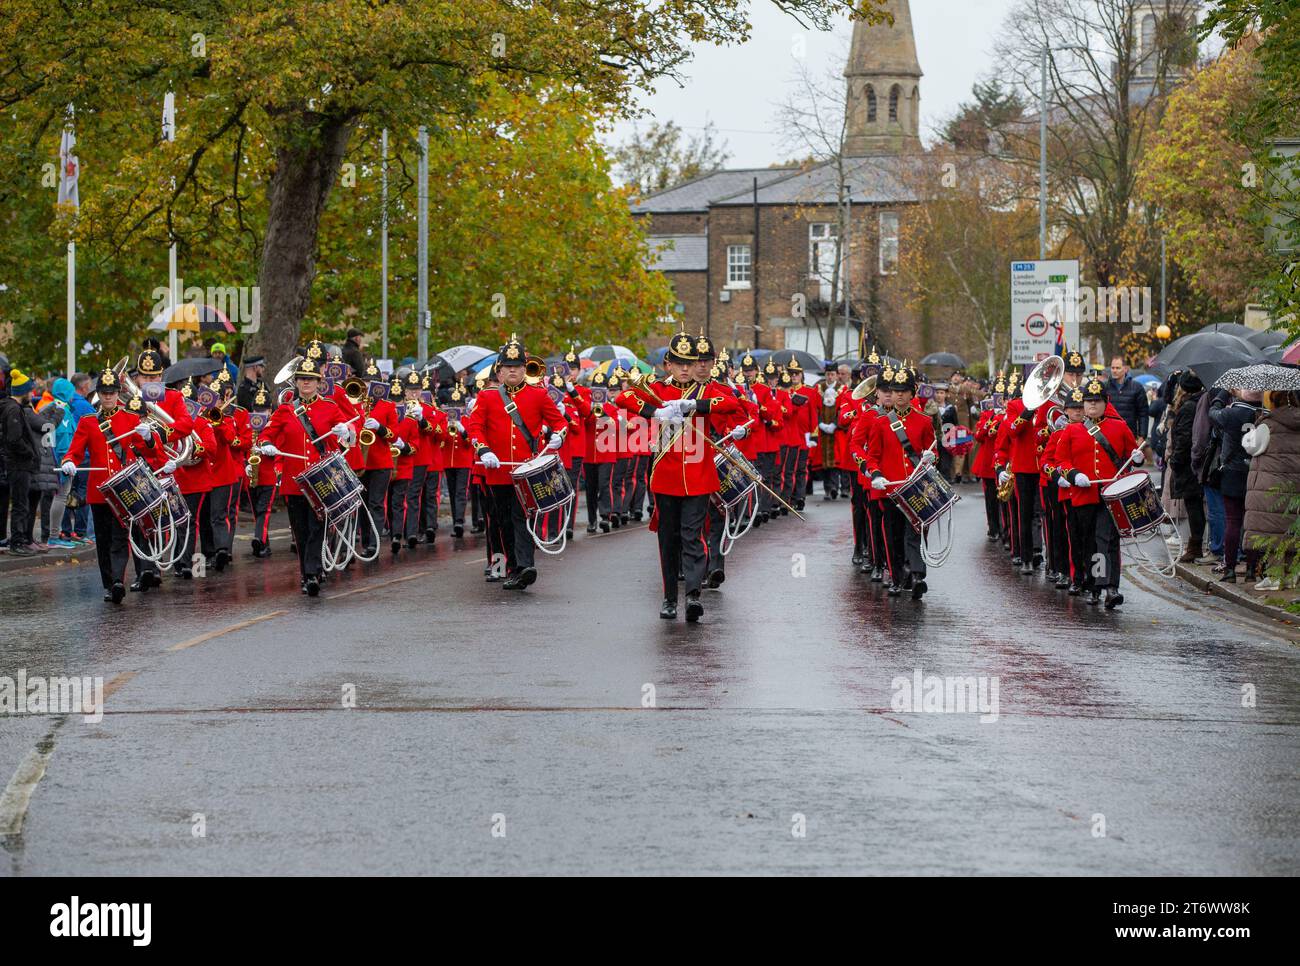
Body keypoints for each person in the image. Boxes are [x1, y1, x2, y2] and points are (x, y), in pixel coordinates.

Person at [614, 332, 740, 620]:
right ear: (668, 365)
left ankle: (693, 594)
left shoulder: (706, 390)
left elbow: (732, 403)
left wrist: (694, 406)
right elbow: (625, 397)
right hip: (665, 475)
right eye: (679, 363)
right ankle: (670, 597)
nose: (685, 368)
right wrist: (655, 411)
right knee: (668, 538)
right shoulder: (657, 388)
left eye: (690, 362)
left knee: (692, 535)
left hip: (698, 475)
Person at [465, 334, 568, 591]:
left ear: (525, 369)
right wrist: (483, 449)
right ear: (499, 372)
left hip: (525, 472)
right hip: (497, 469)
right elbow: (474, 427)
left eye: (518, 367)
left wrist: (558, 437)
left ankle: (525, 566)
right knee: (503, 521)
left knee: (521, 517)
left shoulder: (538, 395)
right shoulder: (488, 397)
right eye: (508, 367)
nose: (513, 371)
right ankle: (511, 567)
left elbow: (561, 422)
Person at [61, 368, 164, 602]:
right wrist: (68, 462)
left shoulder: (129, 418)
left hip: (123, 491)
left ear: (118, 394)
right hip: (98, 492)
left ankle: (118, 580)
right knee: (103, 539)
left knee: (119, 537)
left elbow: (150, 451)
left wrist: (148, 436)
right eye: (104, 393)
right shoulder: (88, 422)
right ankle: (109, 583)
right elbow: (75, 451)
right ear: (99, 394)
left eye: (112, 393)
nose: (108, 397)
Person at [256, 353, 352, 596]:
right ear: (296, 382)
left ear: (319, 382)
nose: (306, 383)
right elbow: (265, 435)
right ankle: (307, 571)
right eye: (301, 379)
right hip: (294, 481)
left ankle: (312, 573)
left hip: (321, 480)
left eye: (310, 379)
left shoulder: (330, 407)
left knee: (317, 526)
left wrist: (346, 430)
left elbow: (349, 435)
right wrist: (266, 444)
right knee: (300, 530)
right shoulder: (285, 410)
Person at [1054, 377, 1141, 607]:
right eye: (1088, 401)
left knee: (1107, 539)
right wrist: (1073, 475)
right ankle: (1093, 584)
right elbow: (1060, 460)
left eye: (1097, 401)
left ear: (1106, 402)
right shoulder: (1072, 430)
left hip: (1109, 493)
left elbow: (1131, 452)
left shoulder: (1119, 426)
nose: (1092, 406)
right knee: (1088, 541)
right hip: (1083, 493)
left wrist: (1138, 457)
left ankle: (1110, 587)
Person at [862, 364, 937, 599]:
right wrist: (875, 474)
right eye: (896, 391)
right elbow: (872, 456)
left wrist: (931, 457)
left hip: (914, 488)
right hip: (890, 488)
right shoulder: (880, 422)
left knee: (914, 533)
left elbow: (933, 451)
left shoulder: (924, 421)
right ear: (890, 394)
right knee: (893, 535)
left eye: (904, 390)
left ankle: (916, 576)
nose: (900, 395)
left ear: (912, 393)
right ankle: (896, 578)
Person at [1243, 390, 1300, 590]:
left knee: (1273, 532)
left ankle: (1275, 578)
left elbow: (1250, 446)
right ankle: (1292, 576)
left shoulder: (1269, 425)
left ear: (1273, 400)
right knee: (1290, 529)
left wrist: (1256, 425)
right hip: (1293, 485)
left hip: (1271, 486)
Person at [1209, 387, 1263, 582]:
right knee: (1253, 523)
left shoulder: (1232, 413)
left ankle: (1230, 569)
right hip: (1256, 474)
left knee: (1233, 521)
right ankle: (1251, 570)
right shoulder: (1265, 415)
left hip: (1232, 472)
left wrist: (1222, 395)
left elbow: (1212, 414)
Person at [0, 368, 42, 556]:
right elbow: (14, 439)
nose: (32, 394)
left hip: (18, 464)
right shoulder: (13, 410)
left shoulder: (12, 408)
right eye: (30, 391)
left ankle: (19, 541)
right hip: (18, 465)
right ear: (23, 392)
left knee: (20, 503)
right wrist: (29, 454)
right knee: (20, 504)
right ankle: (17, 542)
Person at [52, 374, 96, 547]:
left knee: (67, 496)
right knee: (77, 496)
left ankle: (65, 531)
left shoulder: (67, 408)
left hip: (71, 458)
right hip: (77, 458)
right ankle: (77, 532)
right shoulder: (78, 406)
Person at [1168, 371, 1206, 563]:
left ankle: (1195, 546)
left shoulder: (1189, 407)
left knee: (1193, 505)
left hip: (1188, 465)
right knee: (1194, 505)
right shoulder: (1198, 403)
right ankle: (1195, 544)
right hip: (1192, 463)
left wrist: (1175, 461)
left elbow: (1183, 438)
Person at [1107, 356, 1150, 443]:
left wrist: (1142, 436)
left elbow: (1143, 414)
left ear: (1125, 369)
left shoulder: (1137, 387)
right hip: (1108, 435)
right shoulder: (1105, 387)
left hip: (1129, 435)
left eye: (1118, 368)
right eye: (1112, 368)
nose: (1114, 370)